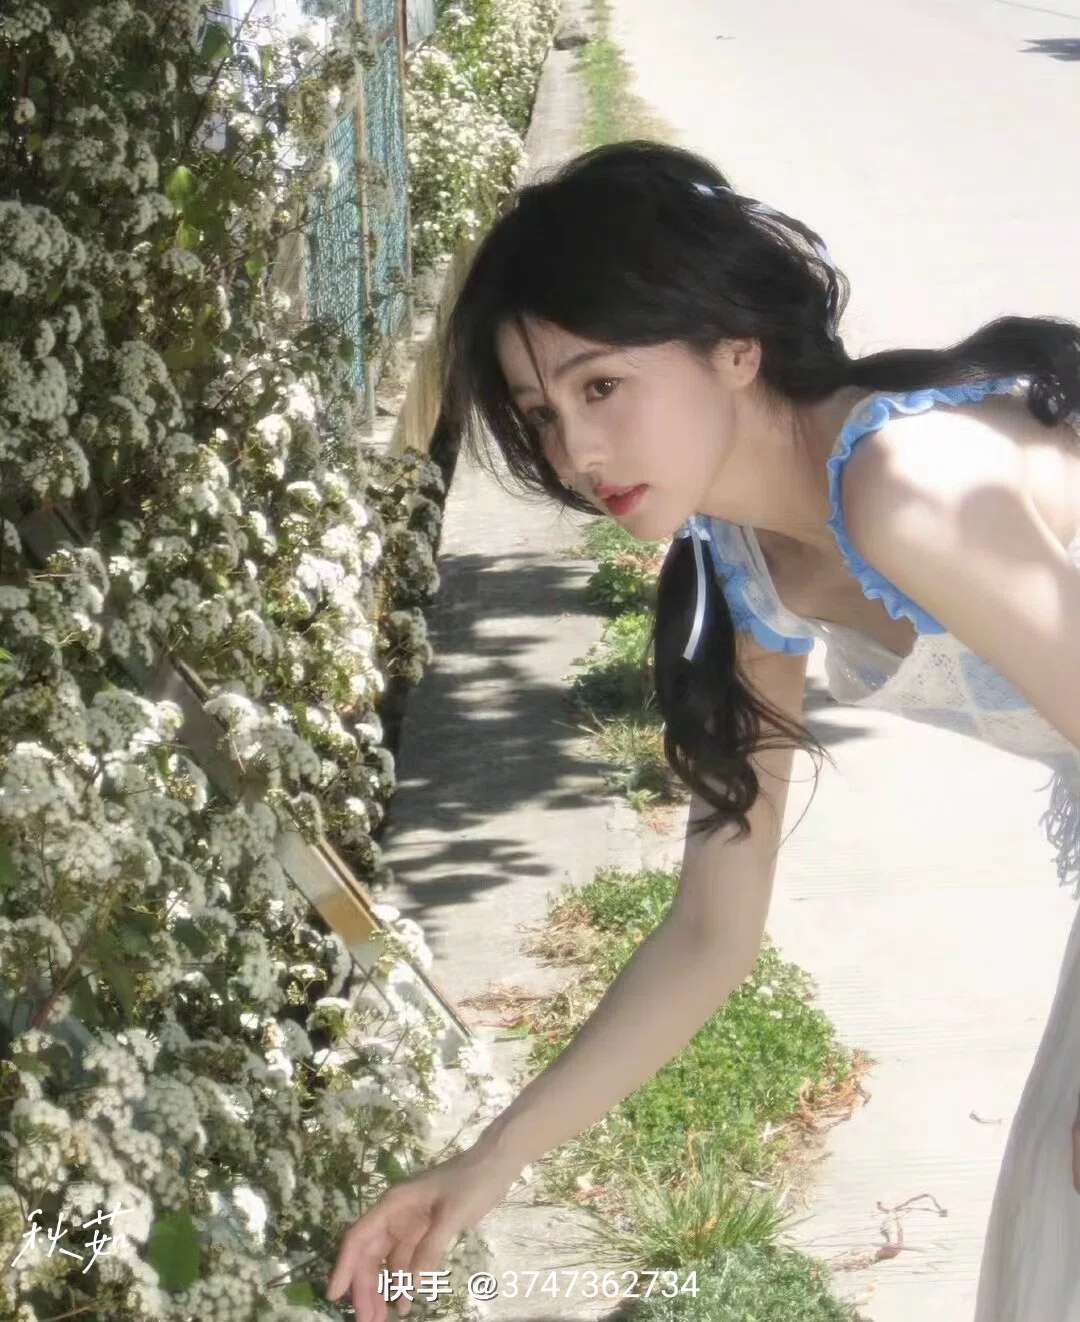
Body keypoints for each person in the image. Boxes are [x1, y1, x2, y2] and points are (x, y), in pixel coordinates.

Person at [326, 140, 1080, 1322]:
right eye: (542, 412)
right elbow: (712, 931)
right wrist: (485, 1163)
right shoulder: (748, 569)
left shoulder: (906, 485)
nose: (575, 454)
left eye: (600, 387)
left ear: (736, 345)